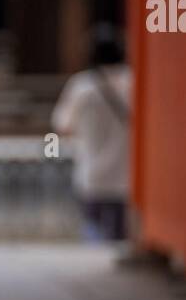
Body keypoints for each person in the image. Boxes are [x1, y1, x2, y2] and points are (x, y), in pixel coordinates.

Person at [52, 25, 132, 242]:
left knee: (94, 234)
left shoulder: (81, 86)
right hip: (128, 176)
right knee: (121, 235)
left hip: (92, 175)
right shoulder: (135, 83)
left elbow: (62, 125)